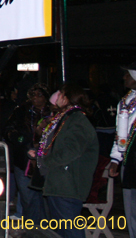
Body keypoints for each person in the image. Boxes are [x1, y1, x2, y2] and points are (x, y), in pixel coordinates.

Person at [30, 83, 98, 238]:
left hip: (67, 185)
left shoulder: (77, 120)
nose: (57, 97)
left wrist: (46, 160)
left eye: (61, 94)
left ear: (69, 99)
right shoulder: (65, 119)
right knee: (60, 232)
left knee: (69, 230)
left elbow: (71, 150)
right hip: (58, 183)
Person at [4, 83, 51, 223]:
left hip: (46, 161)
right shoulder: (21, 111)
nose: (36, 98)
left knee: (46, 199)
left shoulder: (52, 112)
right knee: (28, 198)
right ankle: (32, 229)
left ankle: (46, 229)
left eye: (39, 95)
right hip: (24, 160)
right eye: (33, 95)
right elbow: (8, 130)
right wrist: (22, 140)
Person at [109, 62, 136, 238]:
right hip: (131, 162)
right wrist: (115, 159)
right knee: (131, 208)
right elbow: (121, 134)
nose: (124, 77)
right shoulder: (126, 101)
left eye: (127, 74)